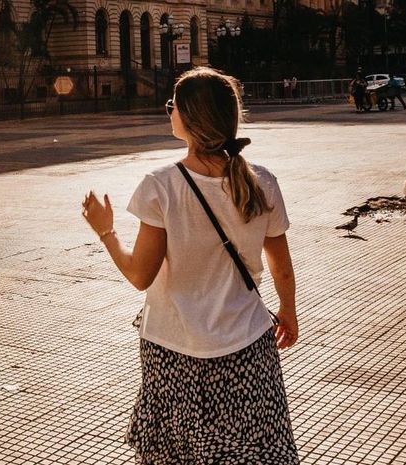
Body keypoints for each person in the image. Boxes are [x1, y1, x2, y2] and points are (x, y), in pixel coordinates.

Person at [81, 67, 299, 464]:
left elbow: (139, 275)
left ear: (189, 118)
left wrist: (105, 231)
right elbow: (281, 266)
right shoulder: (262, 181)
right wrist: (287, 312)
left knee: (175, 452)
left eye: (172, 107)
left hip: (172, 347)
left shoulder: (161, 185)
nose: (169, 113)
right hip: (247, 344)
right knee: (251, 450)